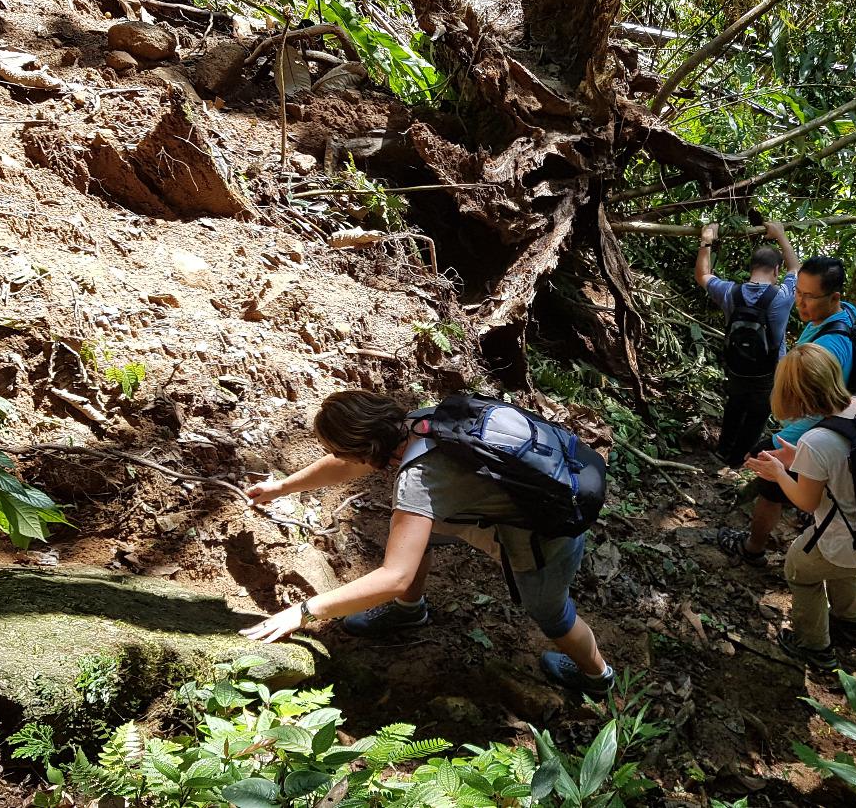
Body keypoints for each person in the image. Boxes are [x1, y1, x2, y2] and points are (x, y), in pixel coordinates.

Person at [239, 390, 615, 697]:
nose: (340, 458)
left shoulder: (418, 481)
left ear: (365, 447)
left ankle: (597, 677)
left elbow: (394, 577)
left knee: (552, 615)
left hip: (549, 534)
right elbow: (349, 464)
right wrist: (282, 487)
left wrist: (303, 611)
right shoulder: (427, 420)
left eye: (341, 450)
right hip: (534, 493)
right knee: (409, 536)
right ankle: (409, 611)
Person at [716, 255, 856, 566]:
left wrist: (776, 444)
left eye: (809, 297)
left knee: (771, 480)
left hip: (818, 431)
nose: (800, 302)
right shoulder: (844, 315)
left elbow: (817, 409)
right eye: (798, 292)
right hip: (830, 426)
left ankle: (753, 548)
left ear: (834, 297)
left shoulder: (830, 348)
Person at [743, 344, 856, 670]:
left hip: (846, 535)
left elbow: (806, 500)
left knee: (799, 569)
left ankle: (815, 647)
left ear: (798, 395)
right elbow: (841, 461)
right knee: (843, 570)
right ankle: (850, 622)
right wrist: (794, 456)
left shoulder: (818, 440)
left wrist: (778, 473)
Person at [695, 220, 800, 468]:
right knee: (757, 414)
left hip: (737, 366)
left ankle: (723, 451)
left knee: (735, 404)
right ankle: (739, 459)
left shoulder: (730, 292)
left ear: (750, 267)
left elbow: (702, 275)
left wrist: (707, 239)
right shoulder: (782, 297)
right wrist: (781, 236)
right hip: (769, 370)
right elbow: (795, 267)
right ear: (776, 270)